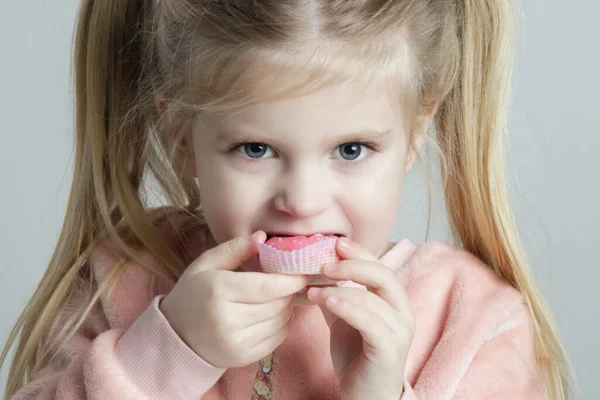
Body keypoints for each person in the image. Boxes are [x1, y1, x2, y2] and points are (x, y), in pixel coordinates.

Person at [0, 0, 574, 399]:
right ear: (181, 139)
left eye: (351, 150)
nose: (301, 201)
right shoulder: (121, 279)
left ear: (413, 138)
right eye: (255, 148)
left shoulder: (471, 322)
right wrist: (163, 358)